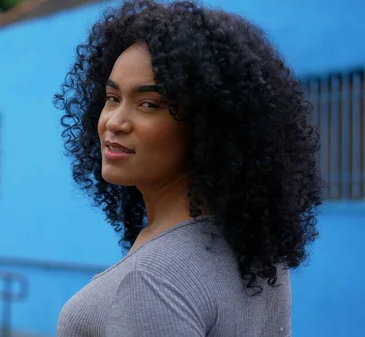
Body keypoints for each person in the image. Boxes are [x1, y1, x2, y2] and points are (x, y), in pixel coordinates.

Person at [53, 0, 322, 336]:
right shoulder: (257, 254)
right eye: (111, 98)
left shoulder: (154, 279)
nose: (115, 122)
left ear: (208, 127)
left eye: (148, 104)